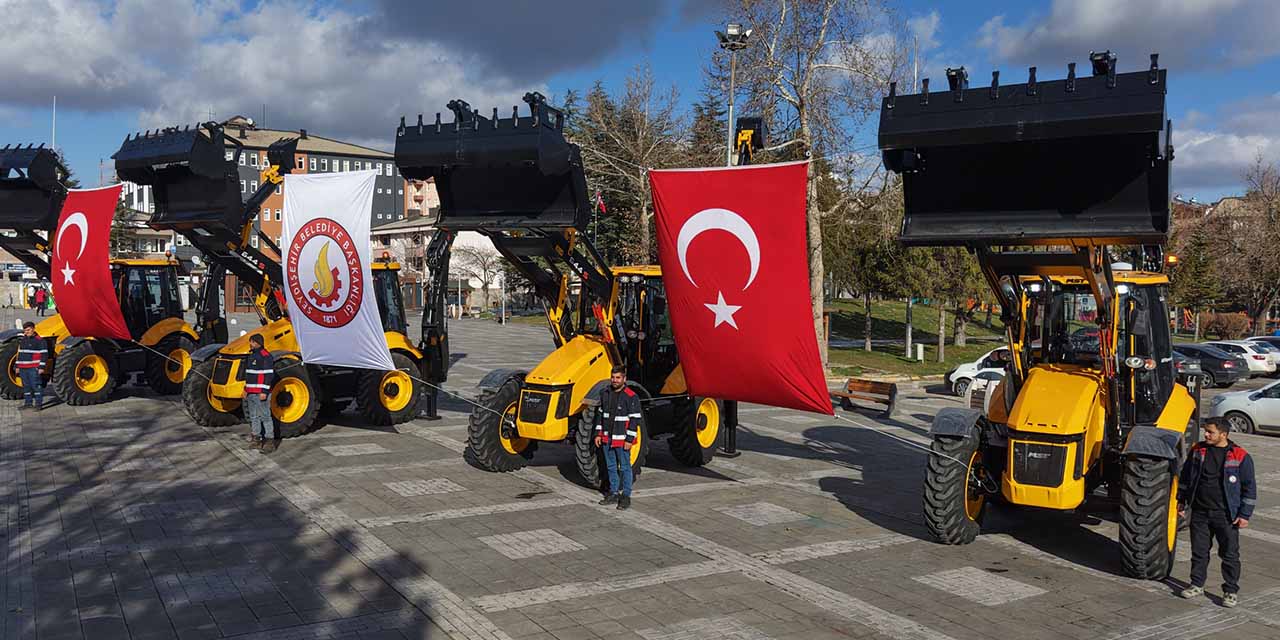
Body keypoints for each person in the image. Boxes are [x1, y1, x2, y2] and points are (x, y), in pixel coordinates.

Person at [1178, 417, 1257, 607]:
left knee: (1229, 554)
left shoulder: (1240, 455)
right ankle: (1197, 584)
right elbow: (1186, 476)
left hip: (1226, 515)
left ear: (1223, 434)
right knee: (1199, 552)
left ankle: (1230, 591)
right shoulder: (1198, 450)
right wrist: (1182, 502)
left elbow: (1249, 487)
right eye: (1205, 431)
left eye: (1210, 432)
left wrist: (1245, 514)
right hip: (1200, 512)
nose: (1206, 434)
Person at [594, 365, 642, 510]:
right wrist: (598, 434)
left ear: (624, 379)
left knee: (625, 468)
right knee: (611, 467)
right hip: (607, 439)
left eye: (618, 378)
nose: (615, 380)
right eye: (613, 377)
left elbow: (635, 419)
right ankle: (613, 493)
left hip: (622, 440)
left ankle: (625, 496)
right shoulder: (605, 393)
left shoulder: (631, 396)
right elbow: (600, 415)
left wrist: (629, 440)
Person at [242, 334, 278, 453]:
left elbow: (268, 375)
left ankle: (269, 441)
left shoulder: (266, 356)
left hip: (261, 393)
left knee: (265, 416)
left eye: (251, 342)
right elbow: (249, 375)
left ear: (257, 342)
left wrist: (264, 391)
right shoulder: (251, 355)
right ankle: (256, 438)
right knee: (254, 416)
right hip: (251, 392)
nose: (250, 344)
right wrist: (246, 389)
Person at [15, 321, 48, 410]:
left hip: (33, 368)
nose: (27, 332)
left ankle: (38, 404)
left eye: (28, 330)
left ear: (33, 329)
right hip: (23, 368)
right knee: (26, 387)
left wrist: (41, 367)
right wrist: (17, 366)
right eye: (25, 331)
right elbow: (20, 354)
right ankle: (28, 403)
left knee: (36, 386)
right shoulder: (23, 340)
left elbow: (44, 354)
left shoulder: (40, 341)